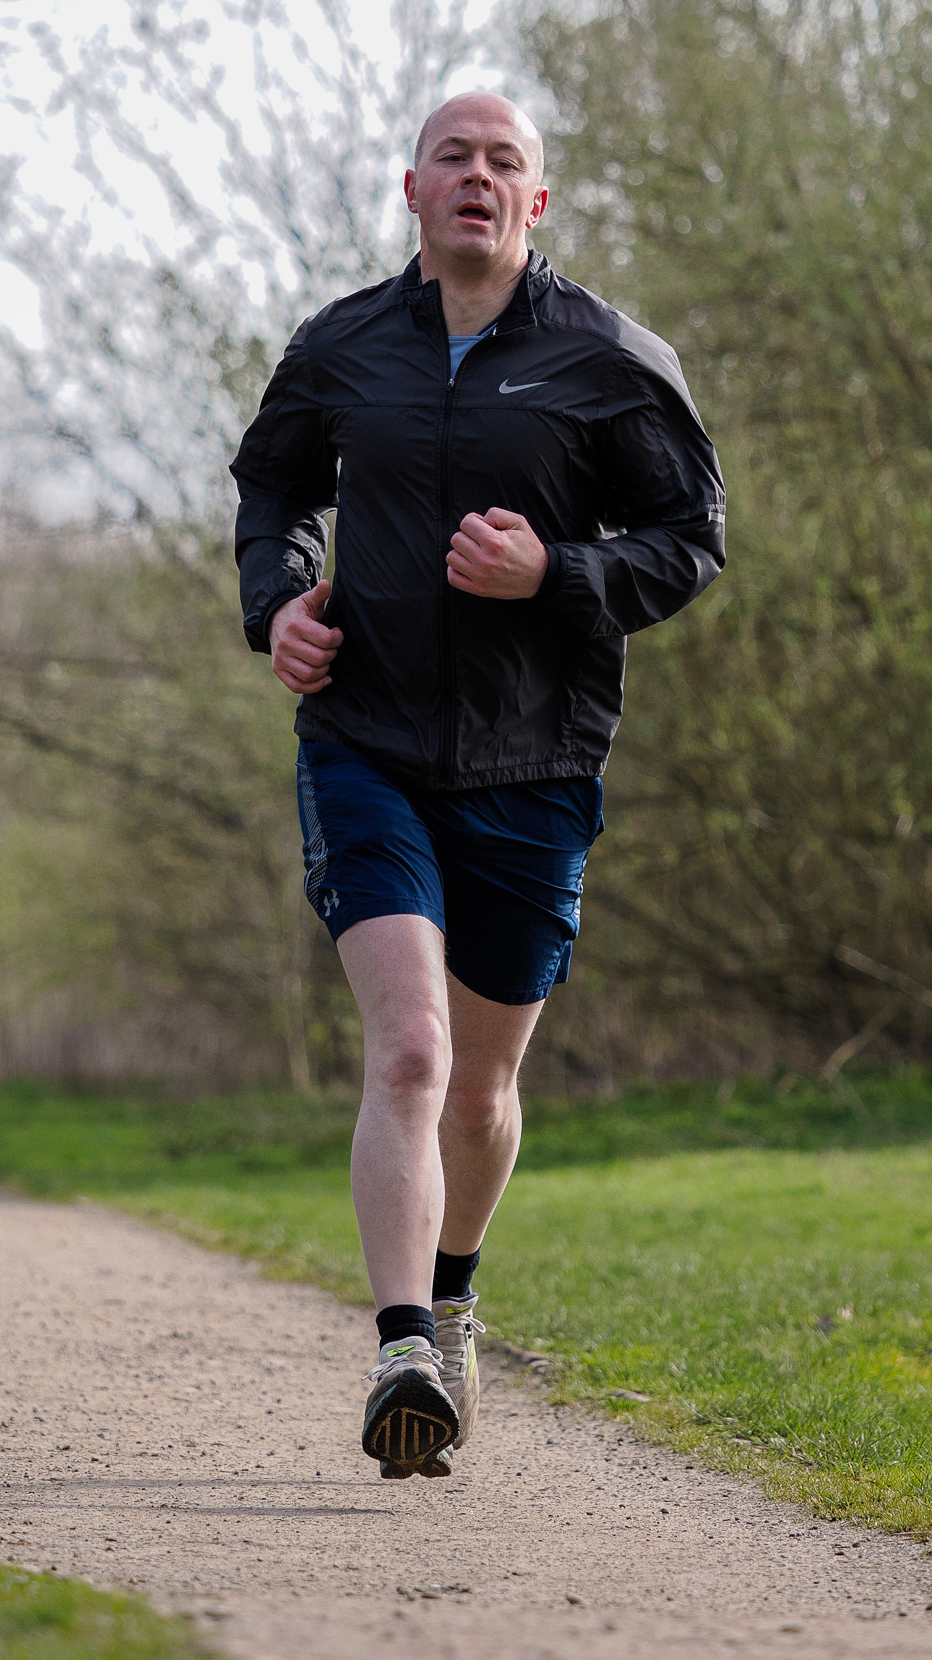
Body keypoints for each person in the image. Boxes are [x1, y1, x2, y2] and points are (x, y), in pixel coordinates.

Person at [231, 92, 725, 1480]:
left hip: (537, 758)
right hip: (366, 741)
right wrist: (276, 606)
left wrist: (555, 574)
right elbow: (271, 496)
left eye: (505, 161)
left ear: (539, 204)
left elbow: (692, 541)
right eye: (454, 157)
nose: (478, 177)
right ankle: (400, 1348)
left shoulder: (612, 360)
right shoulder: (340, 349)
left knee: (485, 1083)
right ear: (411, 188)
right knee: (410, 1051)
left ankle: (452, 1296)